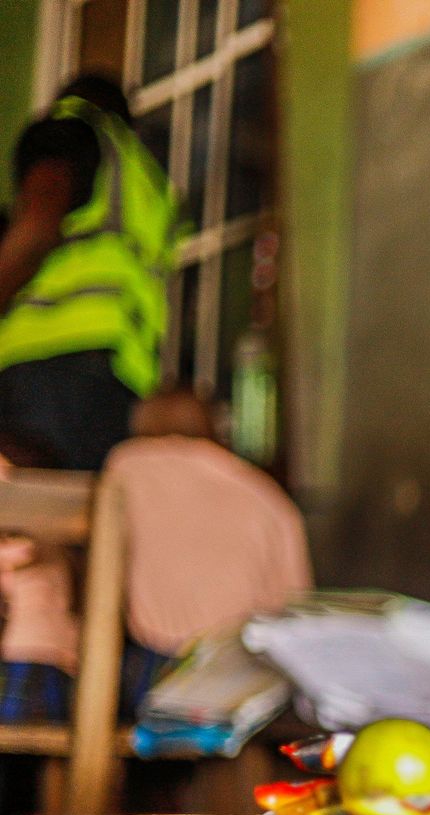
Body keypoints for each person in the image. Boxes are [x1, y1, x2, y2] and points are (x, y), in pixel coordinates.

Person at [0, 388, 310, 722]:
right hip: (240, 676)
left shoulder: (126, 468)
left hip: (151, 670)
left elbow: (100, 582)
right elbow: (296, 605)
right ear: (217, 428)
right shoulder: (266, 496)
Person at [0, 75, 178, 472]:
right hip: (118, 385)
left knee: (24, 505)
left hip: (45, 363)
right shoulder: (149, 184)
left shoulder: (71, 134)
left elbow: (34, 233)